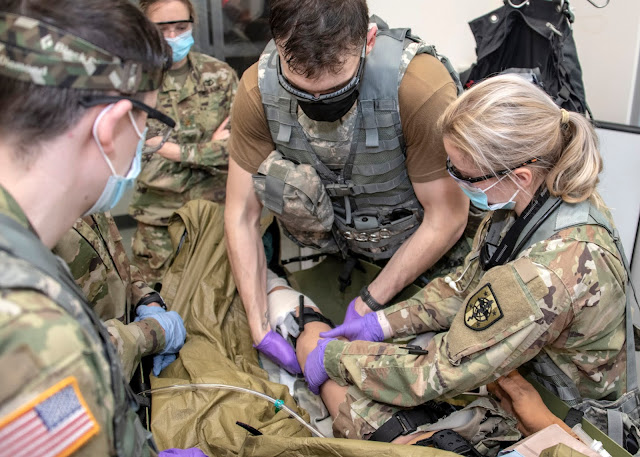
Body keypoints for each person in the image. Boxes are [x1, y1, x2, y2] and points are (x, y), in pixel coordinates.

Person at [295, 74, 629, 444]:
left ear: (517, 174)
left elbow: (438, 371)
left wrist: (335, 358)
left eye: (463, 173)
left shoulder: (547, 273)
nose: (455, 181)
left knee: (378, 427)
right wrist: (382, 324)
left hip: (557, 412)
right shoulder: (529, 203)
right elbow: (466, 287)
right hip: (516, 368)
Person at [225, 0, 470, 375]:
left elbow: (448, 216)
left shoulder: (417, 88)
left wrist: (369, 303)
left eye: (338, 89)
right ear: (277, 46)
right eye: (303, 93)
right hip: (336, 258)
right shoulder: (258, 91)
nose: (320, 103)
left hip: (425, 257)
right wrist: (260, 326)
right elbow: (241, 215)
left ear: (368, 41)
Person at [0, 1, 192, 454]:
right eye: (148, 123)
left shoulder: (33, 240)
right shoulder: (39, 340)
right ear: (109, 126)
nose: (144, 142)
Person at [130, 0, 239, 285]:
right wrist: (209, 149)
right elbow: (145, 162)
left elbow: (240, 148)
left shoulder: (220, 76)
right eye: (163, 29)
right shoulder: (133, 81)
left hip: (214, 217)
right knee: (159, 309)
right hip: (159, 225)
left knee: (216, 307)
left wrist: (173, 150)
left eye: (181, 27)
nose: (174, 36)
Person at [53, 211, 185, 381]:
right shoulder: (28, 235)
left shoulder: (89, 198)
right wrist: (150, 334)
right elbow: (70, 364)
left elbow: (115, 263)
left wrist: (146, 299)